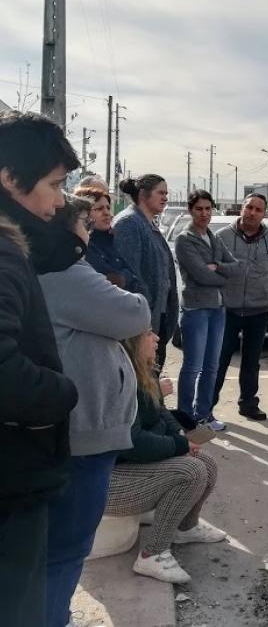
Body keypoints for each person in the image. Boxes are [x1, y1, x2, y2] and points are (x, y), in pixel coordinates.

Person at [37, 195, 151, 627]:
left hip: (81, 429)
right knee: (67, 549)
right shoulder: (66, 272)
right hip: (83, 434)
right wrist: (121, 291)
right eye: (86, 222)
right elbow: (133, 313)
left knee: (61, 549)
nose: (92, 230)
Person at [0, 111, 80, 627]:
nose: (58, 201)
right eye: (54, 184)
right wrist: (60, 394)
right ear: (9, 178)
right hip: (11, 482)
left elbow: (52, 252)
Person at [106, 331, 225, 585]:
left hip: (131, 468)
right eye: (149, 333)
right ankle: (152, 554)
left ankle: (186, 527)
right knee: (191, 471)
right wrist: (179, 444)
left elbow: (163, 414)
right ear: (132, 342)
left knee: (207, 464)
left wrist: (182, 438)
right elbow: (133, 442)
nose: (157, 338)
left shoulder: (143, 373)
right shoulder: (120, 380)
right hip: (108, 482)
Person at [213, 193, 268, 421]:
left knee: (251, 362)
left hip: (259, 311)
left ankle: (248, 404)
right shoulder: (221, 237)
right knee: (219, 360)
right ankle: (207, 405)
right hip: (227, 311)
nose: (252, 212)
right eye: (249, 207)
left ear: (264, 214)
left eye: (258, 210)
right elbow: (211, 269)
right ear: (242, 208)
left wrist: (262, 289)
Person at [175, 190, 239, 430]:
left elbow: (236, 267)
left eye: (208, 209)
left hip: (217, 309)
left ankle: (204, 414)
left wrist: (218, 266)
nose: (204, 213)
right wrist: (221, 276)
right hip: (196, 310)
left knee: (212, 366)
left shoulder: (214, 238)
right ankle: (185, 418)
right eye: (199, 209)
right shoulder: (185, 239)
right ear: (191, 210)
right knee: (193, 366)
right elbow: (200, 275)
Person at [113, 174, 178, 370]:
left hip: (158, 318)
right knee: (144, 385)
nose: (165, 197)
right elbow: (130, 276)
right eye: (160, 192)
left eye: (166, 193)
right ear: (143, 194)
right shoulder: (128, 223)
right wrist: (146, 313)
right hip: (143, 323)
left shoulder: (148, 223)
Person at [75, 185, 141, 291]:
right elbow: (110, 282)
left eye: (108, 208)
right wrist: (123, 277)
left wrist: (124, 277)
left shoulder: (114, 239)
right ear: (83, 214)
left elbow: (135, 275)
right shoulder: (85, 245)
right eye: (99, 209)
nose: (107, 213)